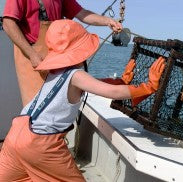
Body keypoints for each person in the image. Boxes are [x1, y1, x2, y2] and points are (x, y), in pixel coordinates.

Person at [0, 19, 165, 181]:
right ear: (80, 51)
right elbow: (112, 92)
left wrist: (121, 81)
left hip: (16, 134)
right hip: (41, 144)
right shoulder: (76, 75)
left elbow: (91, 85)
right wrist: (147, 87)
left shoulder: (53, 72)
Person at [2, 0, 123, 106]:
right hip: (31, 56)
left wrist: (107, 21)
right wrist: (32, 54)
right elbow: (8, 24)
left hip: (57, 56)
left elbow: (82, 13)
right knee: (35, 108)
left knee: (59, 103)